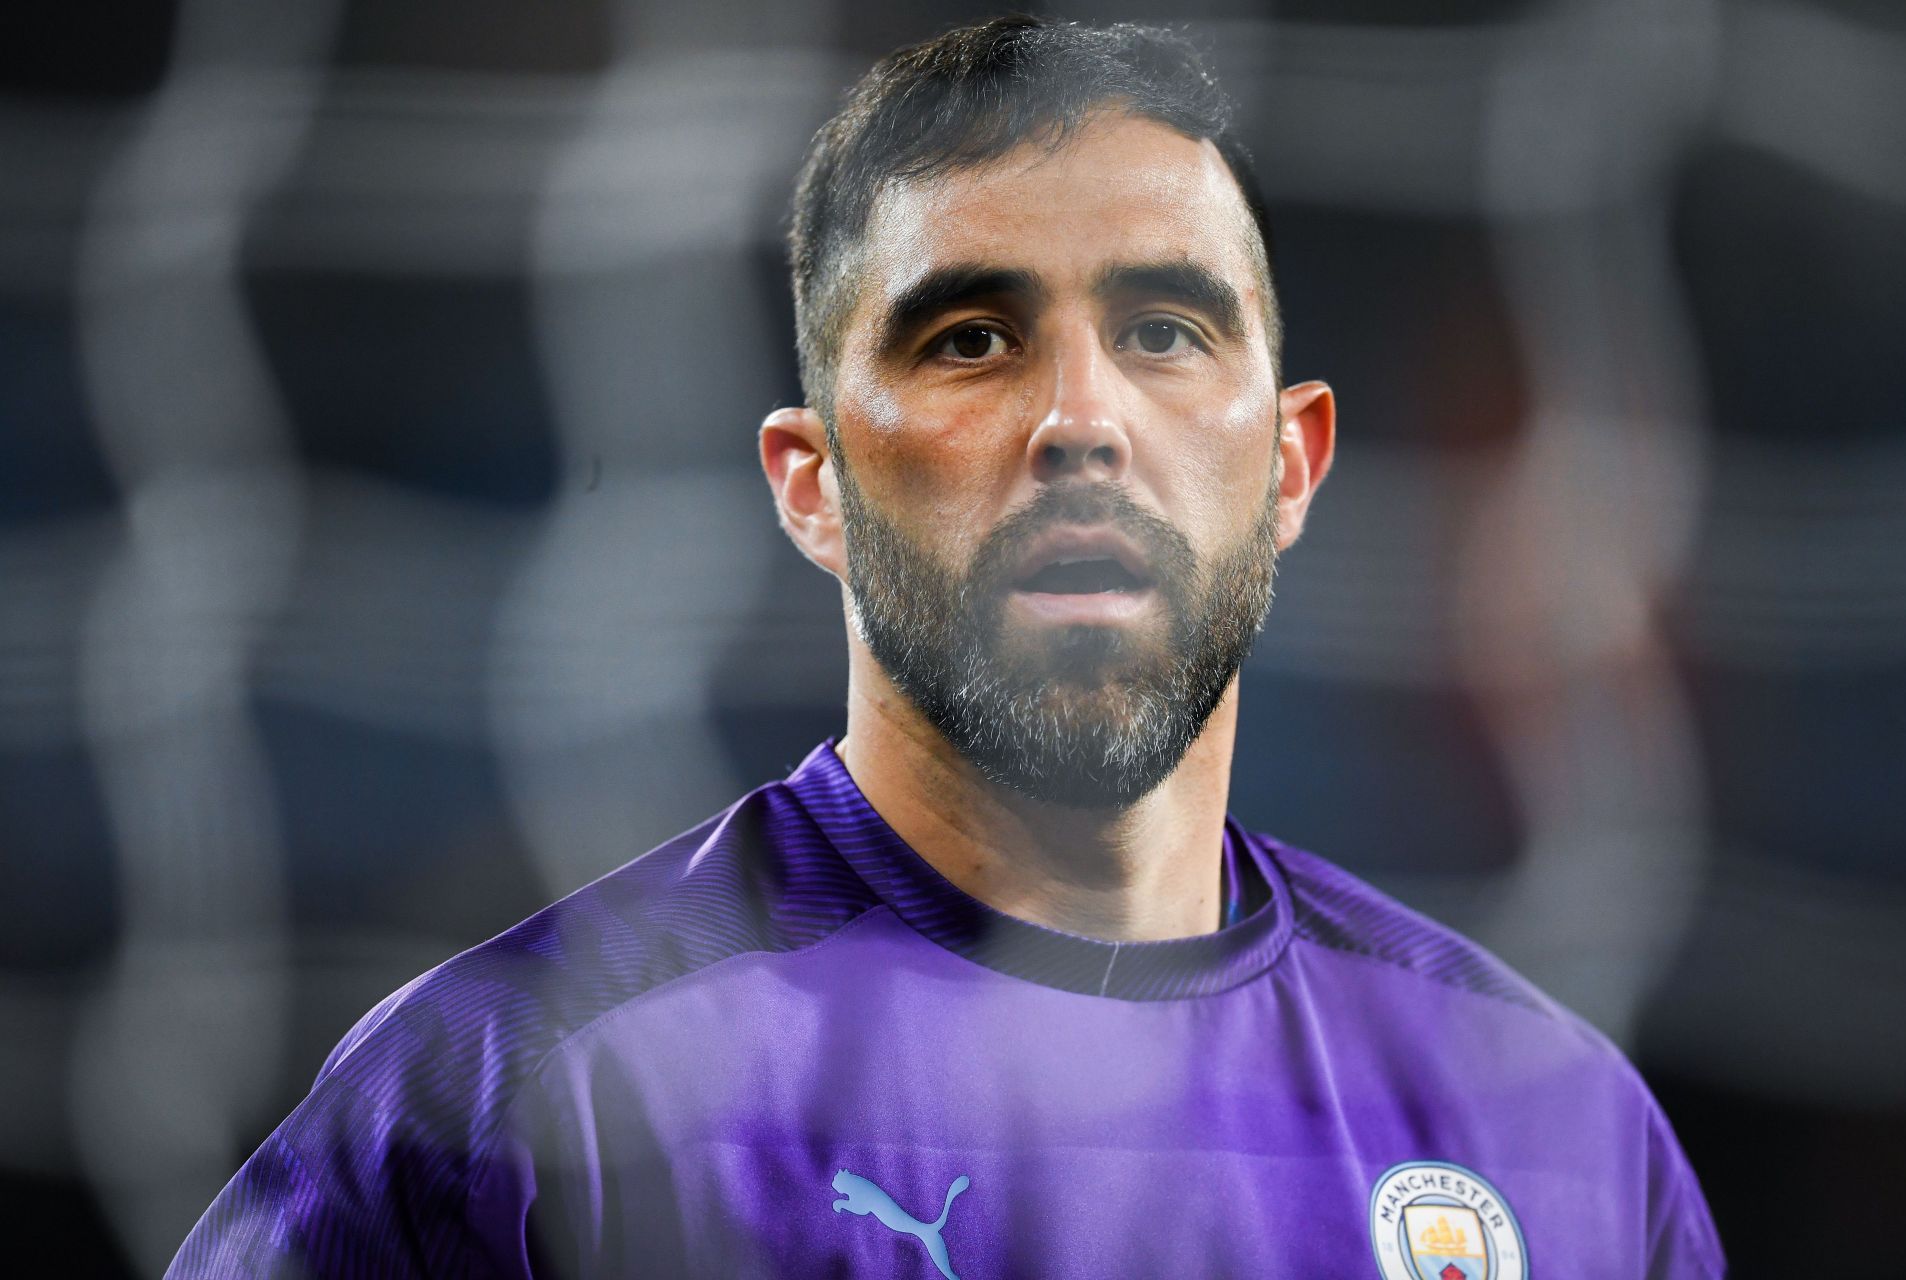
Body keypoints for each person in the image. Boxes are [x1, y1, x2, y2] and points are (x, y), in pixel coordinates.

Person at [169, 16, 1723, 1279]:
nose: (1081, 424)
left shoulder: (1559, 1132)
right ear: (811, 485)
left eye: (1167, 332)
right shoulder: (517, 1090)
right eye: (971, 338)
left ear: (1296, 464)